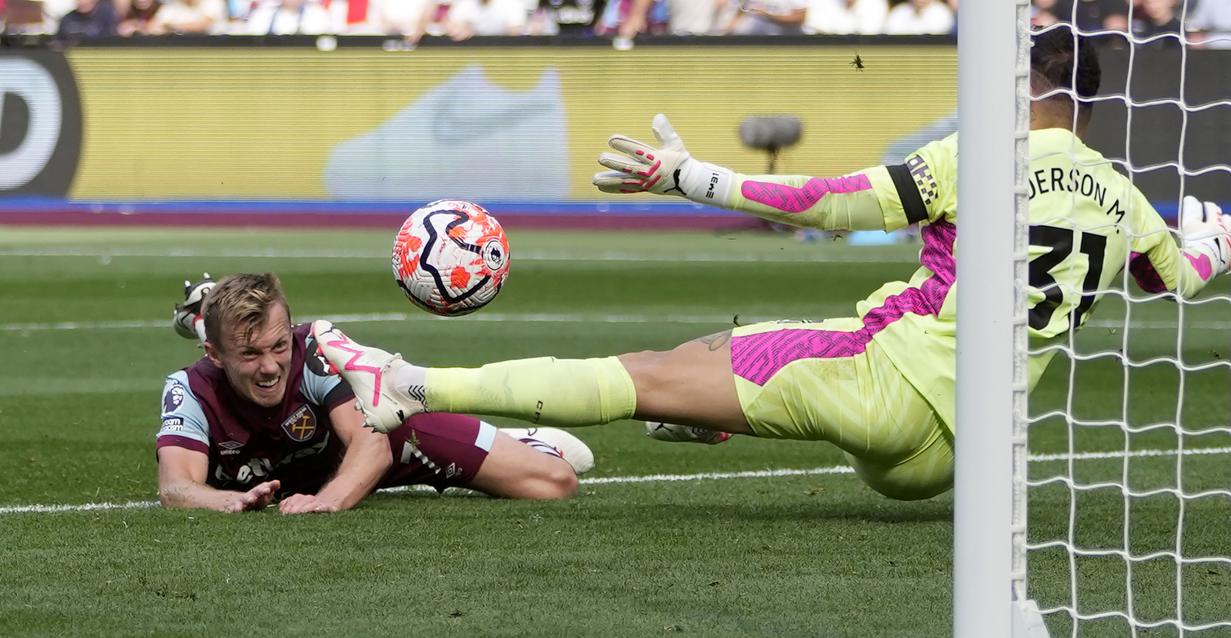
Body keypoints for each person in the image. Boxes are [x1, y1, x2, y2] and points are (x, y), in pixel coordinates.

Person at [312, 25, 1231, 502]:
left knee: (640, 376)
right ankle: (719, 413)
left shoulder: (983, 152)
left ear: (1019, 80)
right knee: (763, 341)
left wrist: (688, 176)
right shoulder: (1122, 200)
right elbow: (1177, 278)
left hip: (882, 389)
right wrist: (1211, 242)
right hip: (960, 453)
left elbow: (827, 204)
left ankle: (409, 383)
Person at [157, 273, 592, 514]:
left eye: (278, 345)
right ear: (213, 355)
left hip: (390, 444)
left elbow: (373, 443)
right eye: (250, 354)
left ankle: (525, 441)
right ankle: (204, 312)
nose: (270, 366)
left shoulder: (315, 350)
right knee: (230, 336)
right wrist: (230, 501)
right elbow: (177, 487)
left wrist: (329, 502)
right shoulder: (189, 389)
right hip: (297, 467)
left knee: (555, 482)